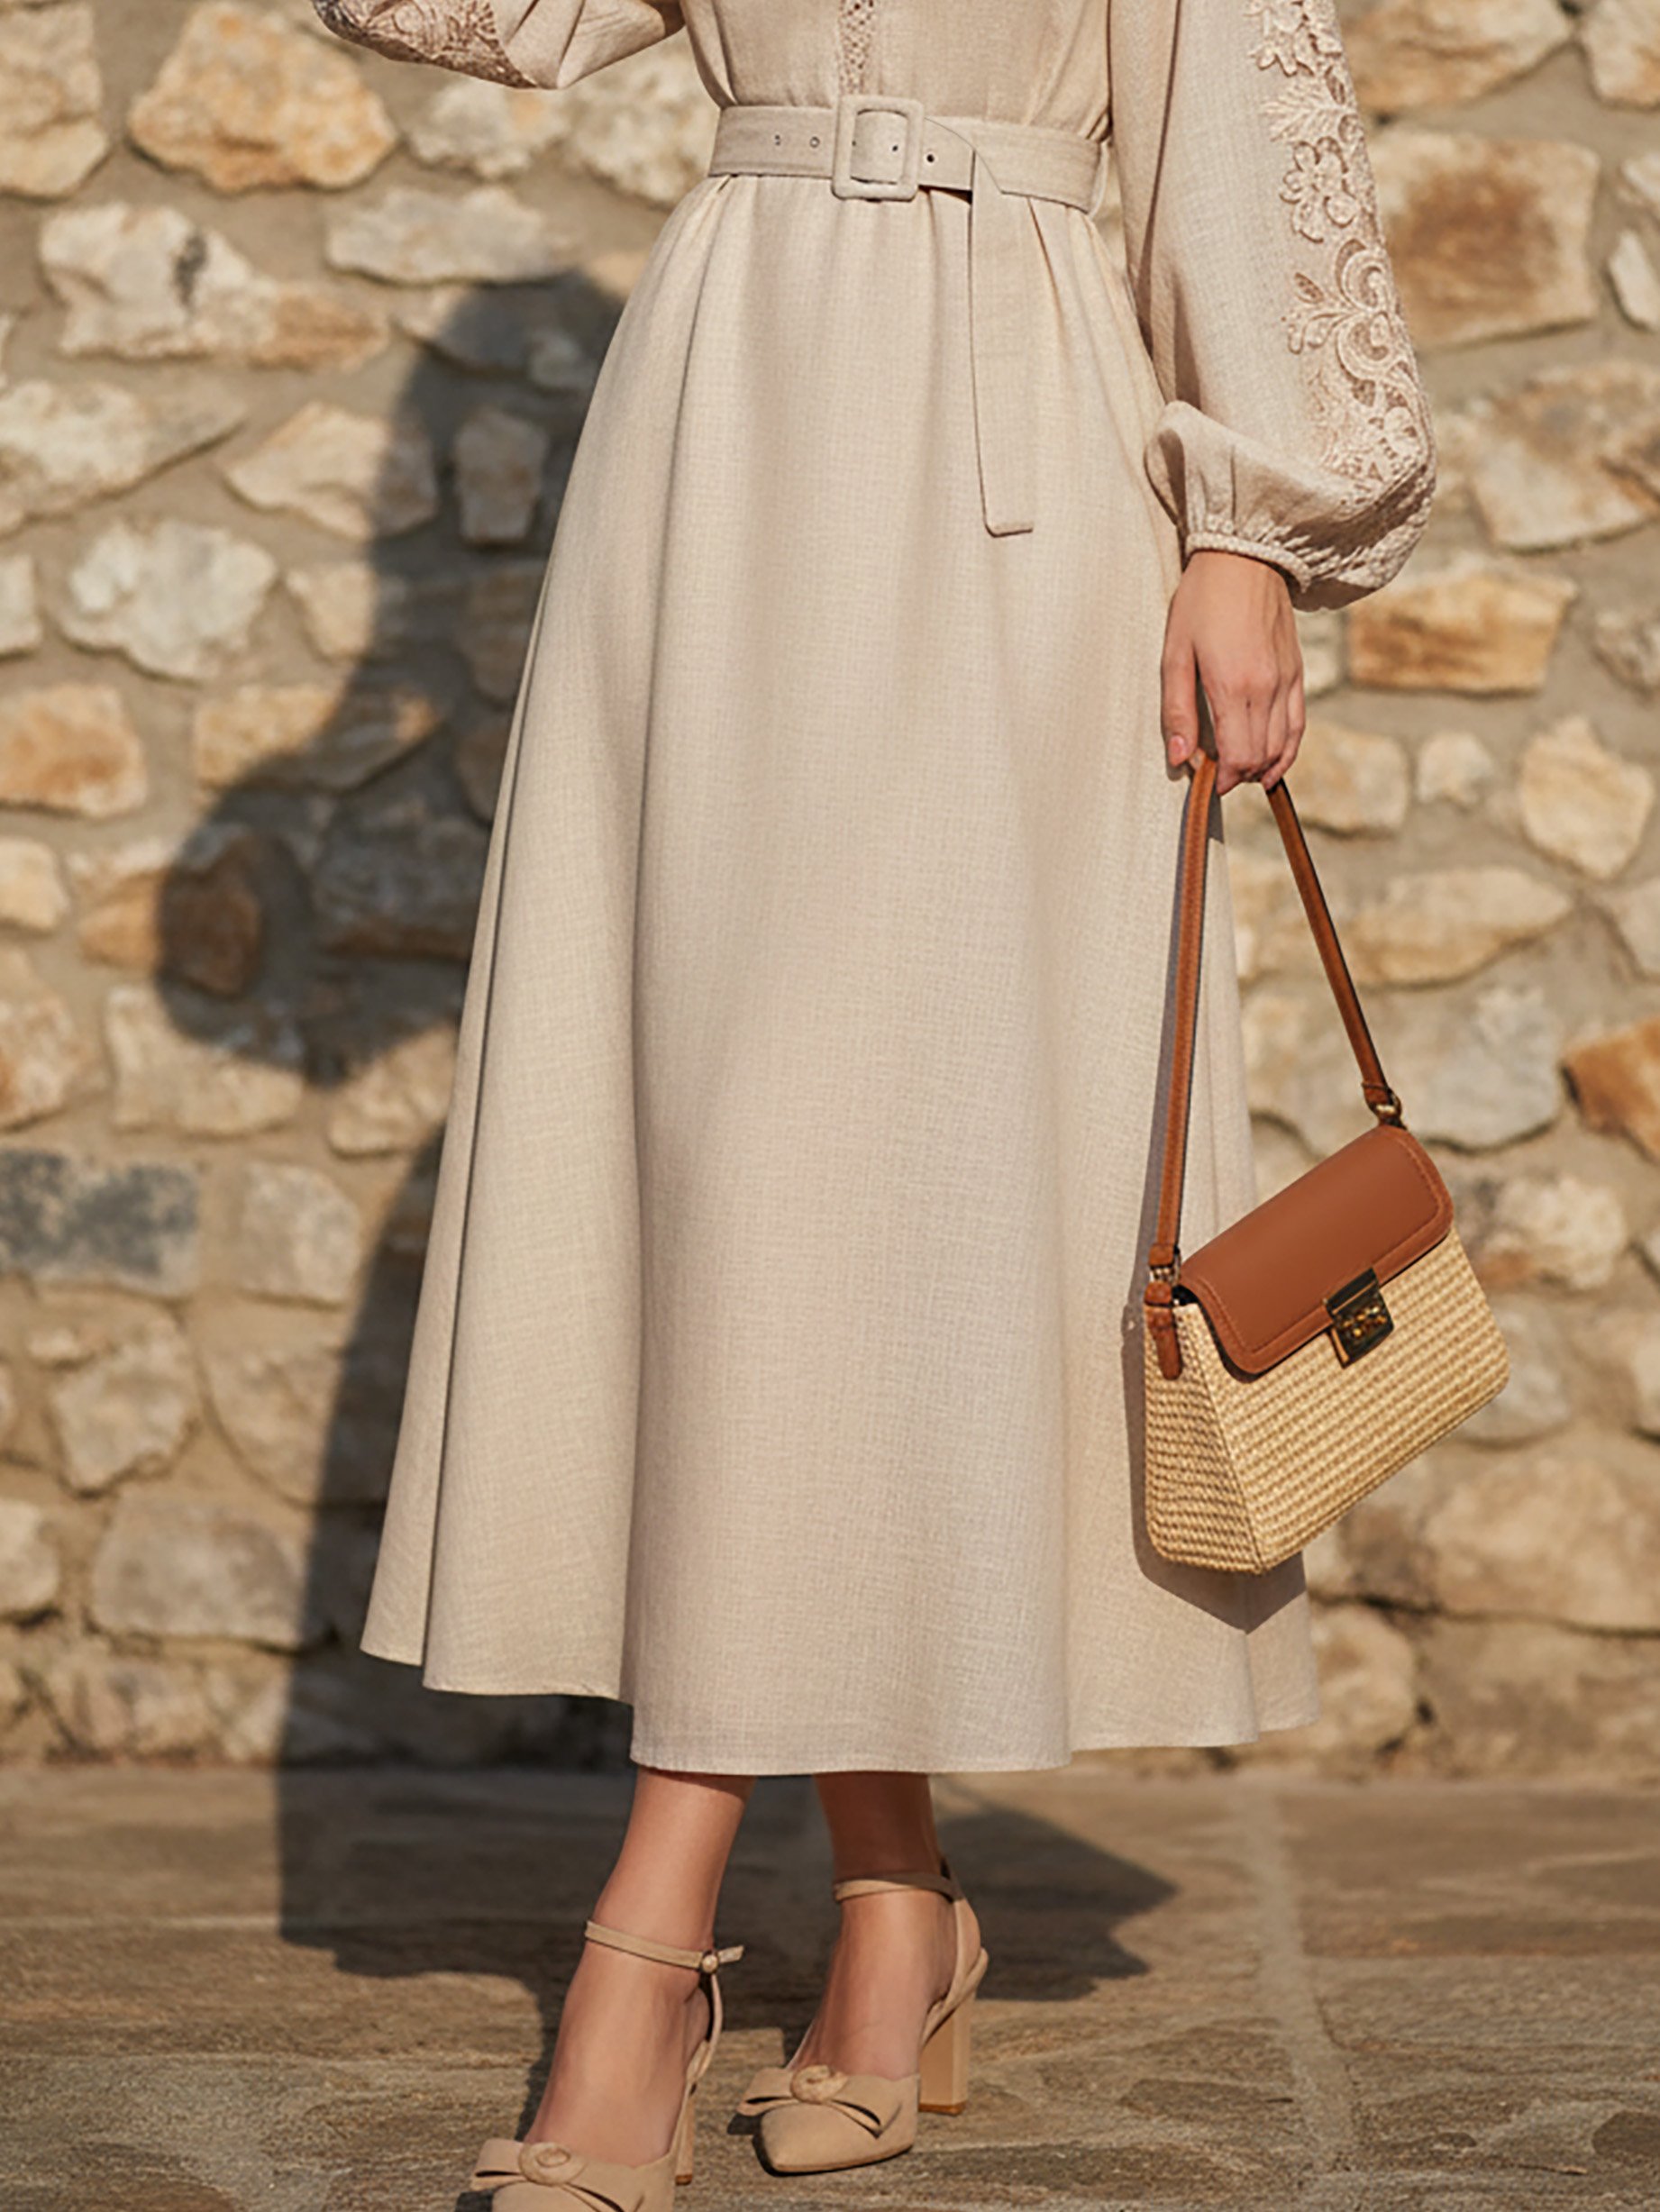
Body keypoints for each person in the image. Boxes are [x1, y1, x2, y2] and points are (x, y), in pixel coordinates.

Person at [315, 2, 1436, 2202]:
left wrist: (1249, 535)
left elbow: (1233, 114)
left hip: (1015, 467)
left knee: (886, 1172)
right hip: (724, 436)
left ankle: (646, 1952)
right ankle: (897, 1912)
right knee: (770, 1169)